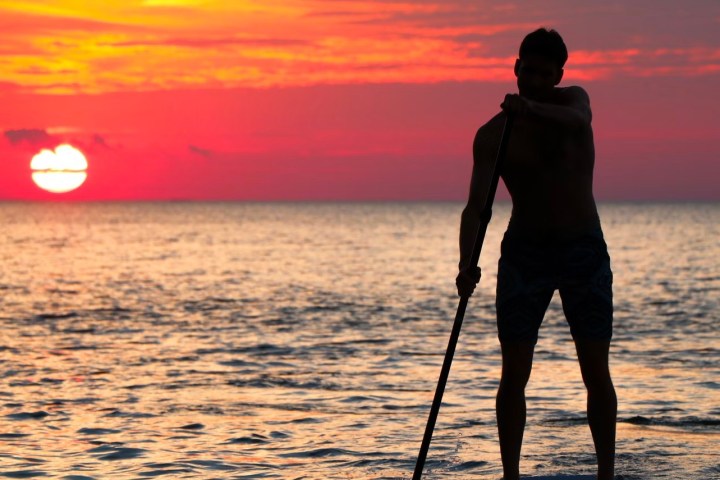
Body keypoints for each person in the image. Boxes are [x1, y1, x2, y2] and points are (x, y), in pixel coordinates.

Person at [455, 28, 617, 480]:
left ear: (558, 76)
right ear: (516, 68)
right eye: (528, 71)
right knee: (514, 371)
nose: (535, 80)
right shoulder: (493, 135)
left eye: (546, 74)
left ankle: (607, 472)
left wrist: (530, 109)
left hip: (582, 246)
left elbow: (579, 121)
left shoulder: (573, 104)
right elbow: (476, 208)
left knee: (594, 367)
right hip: (525, 252)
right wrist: (467, 263)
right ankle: (511, 475)